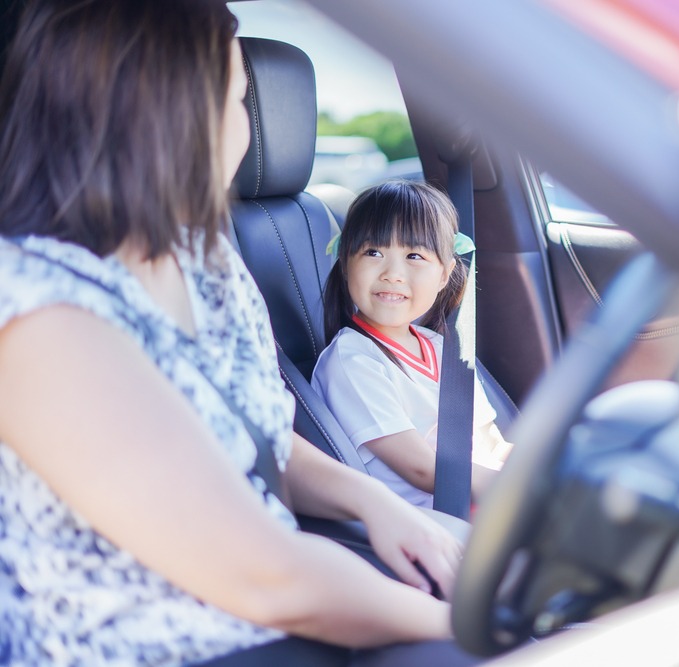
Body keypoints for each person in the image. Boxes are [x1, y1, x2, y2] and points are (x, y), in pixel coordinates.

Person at [0, 1, 483, 665]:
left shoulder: (207, 258)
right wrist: (477, 621)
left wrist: (380, 504)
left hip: (265, 604)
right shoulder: (35, 310)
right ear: (168, 115)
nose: (249, 128)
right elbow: (270, 579)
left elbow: (262, 437)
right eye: (238, 100)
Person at [312, 180, 513, 508]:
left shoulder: (444, 348)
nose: (393, 273)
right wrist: (517, 492)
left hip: (483, 503)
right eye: (374, 252)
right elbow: (421, 469)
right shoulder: (352, 361)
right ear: (346, 264)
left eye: (414, 255)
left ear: (445, 275)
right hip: (433, 524)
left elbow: (489, 440)